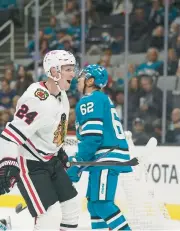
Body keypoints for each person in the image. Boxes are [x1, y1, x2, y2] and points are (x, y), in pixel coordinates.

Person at [0, 50, 80, 230]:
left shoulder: (62, 95)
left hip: (50, 160)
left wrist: (58, 151)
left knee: (72, 205)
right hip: (30, 164)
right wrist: (7, 164)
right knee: (49, 215)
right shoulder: (37, 99)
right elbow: (10, 135)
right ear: (54, 72)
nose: (72, 73)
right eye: (68, 69)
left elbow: (53, 130)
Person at [67, 64, 132, 230]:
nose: (78, 80)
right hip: (105, 157)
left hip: (106, 157)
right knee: (94, 205)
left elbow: (93, 137)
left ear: (90, 81)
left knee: (102, 204)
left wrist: (78, 162)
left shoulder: (89, 100)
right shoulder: (101, 98)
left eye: (82, 77)